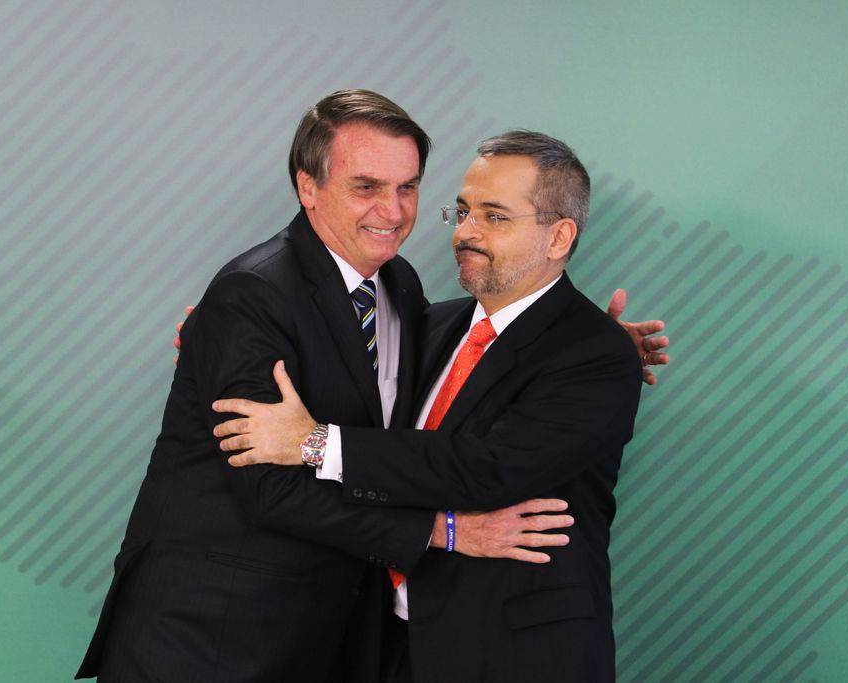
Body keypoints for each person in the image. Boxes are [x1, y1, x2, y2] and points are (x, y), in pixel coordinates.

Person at [76, 91, 666, 682]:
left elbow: (488, 456)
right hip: (215, 634)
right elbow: (271, 489)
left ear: (558, 238)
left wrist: (587, 336)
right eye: (366, 187)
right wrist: (446, 532)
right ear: (308, 187)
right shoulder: (258, 297)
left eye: (408, 188)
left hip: (492, 651)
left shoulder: (405, 294)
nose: (397, 211)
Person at [212, 131, 644, 682]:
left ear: (559, 237)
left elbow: (487, 469)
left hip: (513, 656)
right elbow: (332, 358)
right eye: (462, 212)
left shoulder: (597, 353)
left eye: (494, 217)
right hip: (386, 645)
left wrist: (316, 443)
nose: (465, 233)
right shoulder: (431, 324)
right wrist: (223, 331)